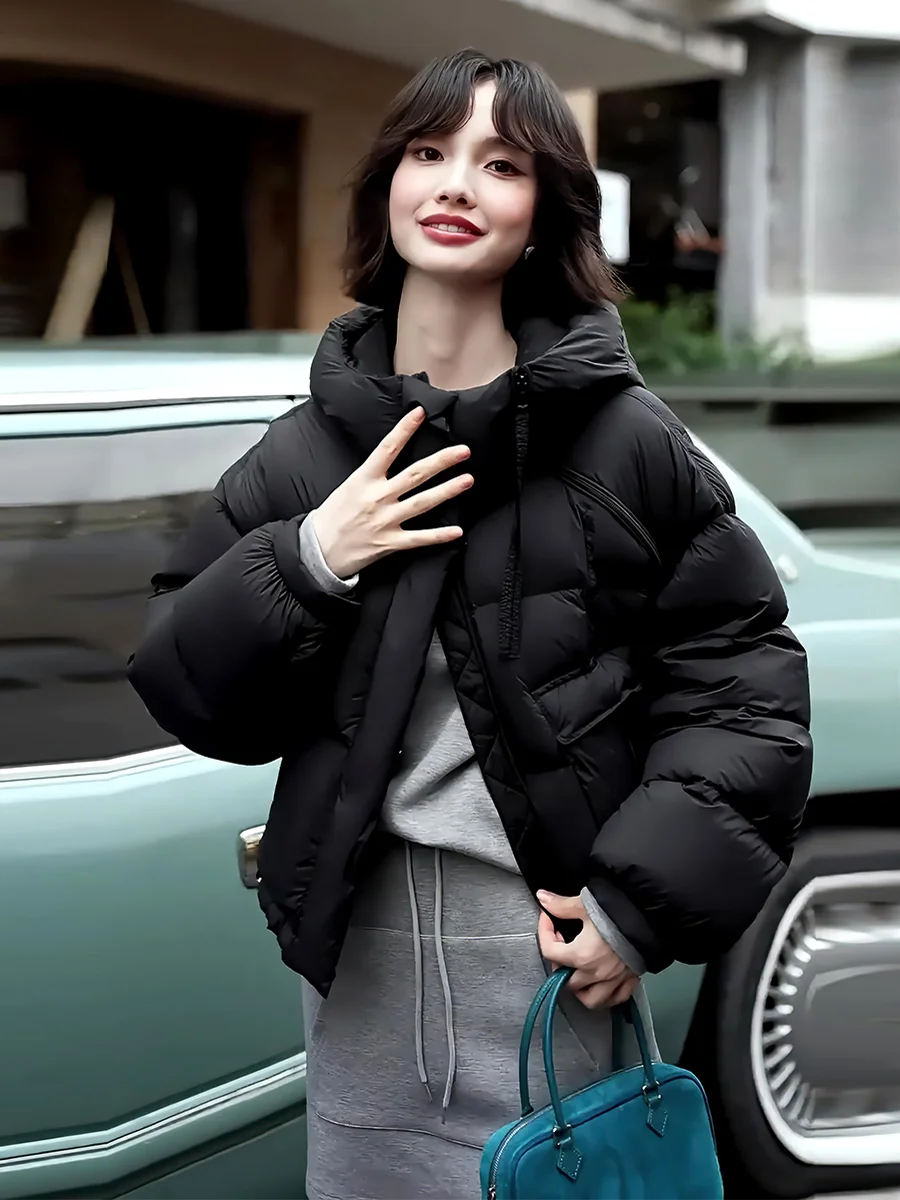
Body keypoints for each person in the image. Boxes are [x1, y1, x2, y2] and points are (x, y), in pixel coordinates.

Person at [129, 48, 813, 1200]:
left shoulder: (624, 441)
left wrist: (638, 905)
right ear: (387, 186)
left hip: (549, 965)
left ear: (546, 211)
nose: (456, 183)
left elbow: (744, 689)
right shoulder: (304, 456)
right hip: (359, 970)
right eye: (429, 151)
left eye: (501, 164)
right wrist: (310, 558)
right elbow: (185, 686)